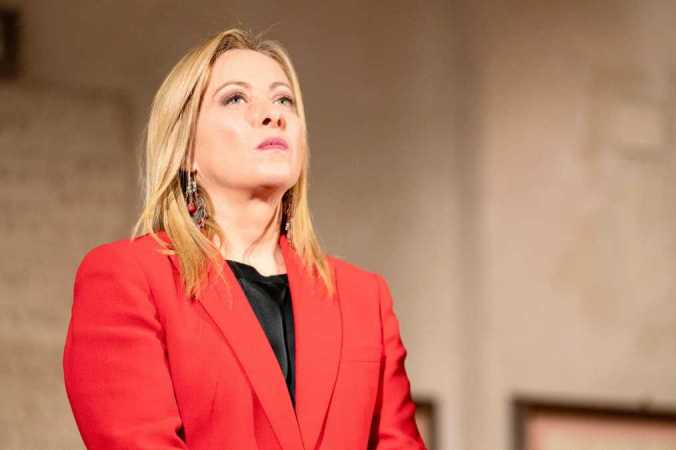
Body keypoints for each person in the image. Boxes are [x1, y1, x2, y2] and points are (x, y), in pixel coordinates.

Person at [62, 28, 427, 450]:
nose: (272, 115)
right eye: (235, 98)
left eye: (283, 100)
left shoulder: (365, 297)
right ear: (185, 149)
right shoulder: (128, 278)